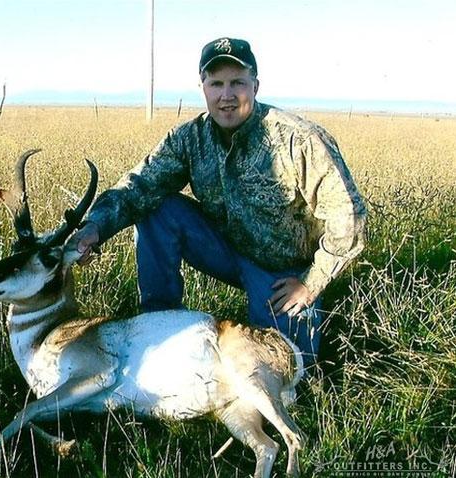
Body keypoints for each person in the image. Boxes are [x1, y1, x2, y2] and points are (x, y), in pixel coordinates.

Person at [67, 37, 366, 367]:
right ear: (203, 87)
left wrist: (311, 283)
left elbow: (348, 217)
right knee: (157, 207)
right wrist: (94, 228)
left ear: (255, 85)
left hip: (281, 273)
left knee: (285, 370)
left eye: (237, 82)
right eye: (217, 84)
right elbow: (138, 186)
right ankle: (158, 324)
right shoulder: (189, 138)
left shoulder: (299, 140)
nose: (227, 96)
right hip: (223, 249)